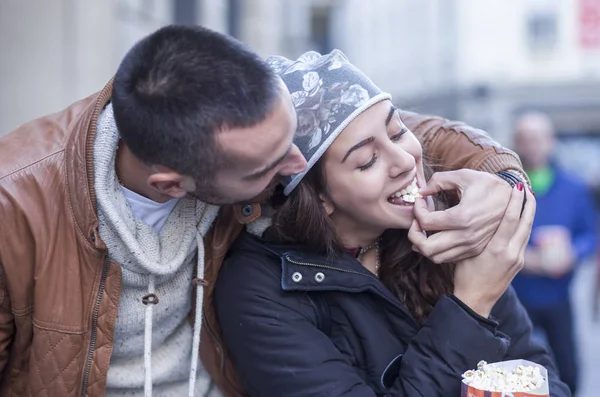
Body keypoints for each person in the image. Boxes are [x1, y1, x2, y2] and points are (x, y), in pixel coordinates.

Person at [0, 25, 527, 396]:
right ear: (175, 184)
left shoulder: (236, 103)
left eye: (291, 139)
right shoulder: (15, 213)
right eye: (271, 167)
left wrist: (502, 177)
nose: (298, 165)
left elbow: (378, 123)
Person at [213, 50, 570, 397]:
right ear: (318, 196)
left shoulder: (447, 228)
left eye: (397, 131)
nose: (404, 160)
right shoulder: (258, 288)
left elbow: (537, 373)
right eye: (368, 160)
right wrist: (471, 305)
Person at [511, 111, 598, 395]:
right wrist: (523, 258)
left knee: (567, 365)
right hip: (517, 296)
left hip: (559, 295)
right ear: (517, 144)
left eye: (537, 138)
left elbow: (591, 234)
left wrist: (573, 252)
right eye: (524, 139)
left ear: (550, 141)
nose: (532, 145)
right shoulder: (508, 188)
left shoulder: (573, 187)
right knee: (516, 366)